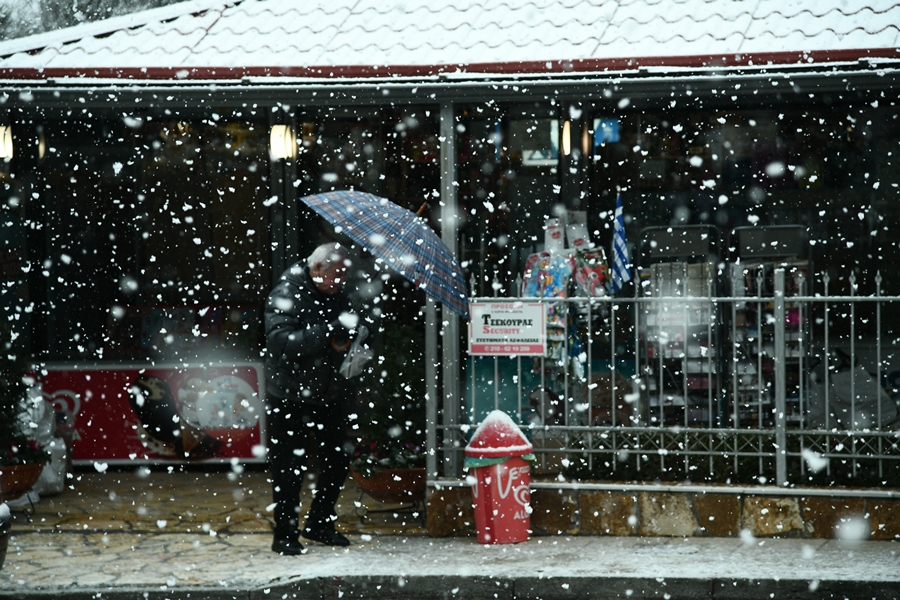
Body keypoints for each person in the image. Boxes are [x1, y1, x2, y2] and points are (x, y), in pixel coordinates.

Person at [264, 242, 357, 555]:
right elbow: (281, 341)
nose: (340, 281)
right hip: (290, 395)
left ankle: (320, 522)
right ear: (317, 269)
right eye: (336, 274)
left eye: (345, 275)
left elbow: (347, 326)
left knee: (338, 459)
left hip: (328, 393)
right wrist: (327, 332)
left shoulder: (338, 294)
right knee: (289, 468)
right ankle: (285, 534)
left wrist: (359, 332)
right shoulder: (286, 294)